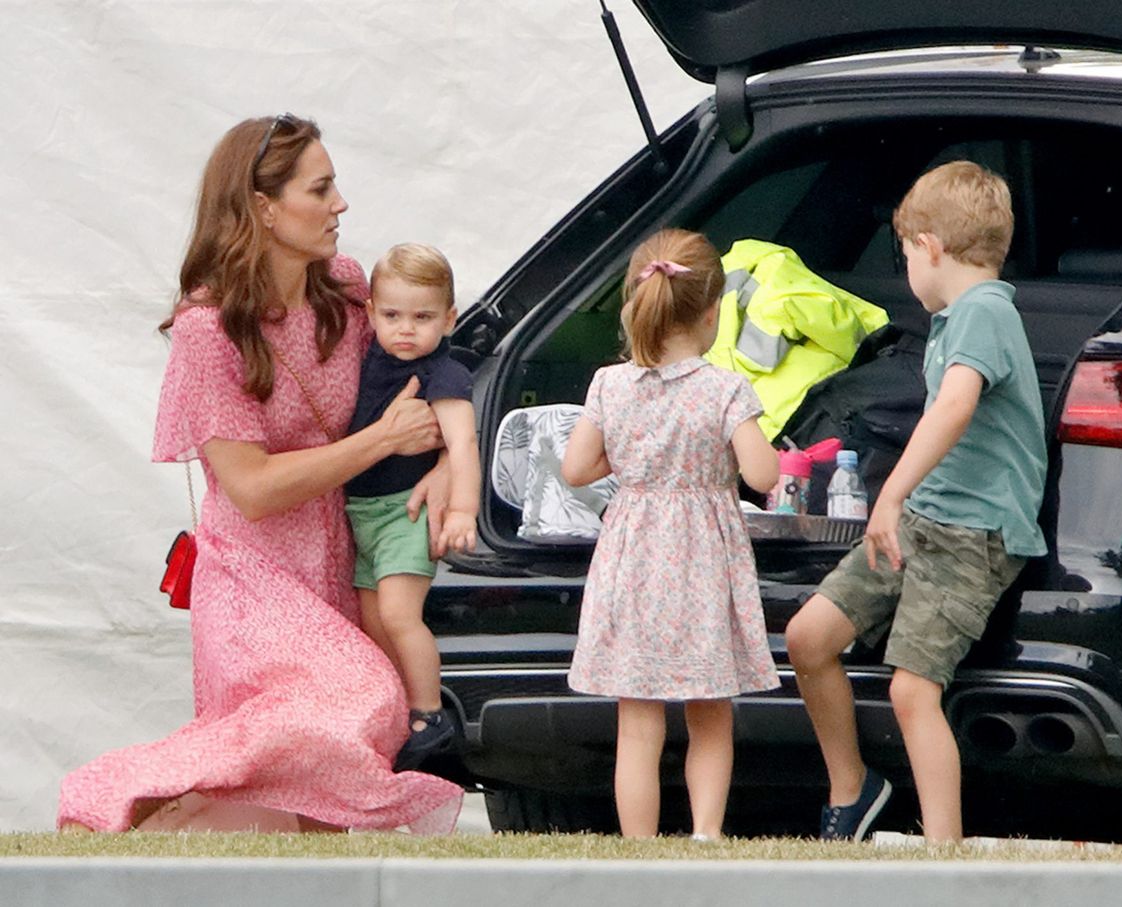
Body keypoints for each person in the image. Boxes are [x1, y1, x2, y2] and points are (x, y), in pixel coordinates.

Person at [57, 114, 463, 834]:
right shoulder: (207, 329)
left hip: (341, 567)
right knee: (363, 695)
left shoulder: (344, 287)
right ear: (264, 208)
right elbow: (252, 486)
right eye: (322, 187)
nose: (341, 204)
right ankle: (116, 794)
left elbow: (428, 372)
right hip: (252, 578)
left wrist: (445, 468)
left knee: (334, 781)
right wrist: (378, 441)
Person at [785, 160, 1047, 843]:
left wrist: (889, 494)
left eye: (904, 254)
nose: (907, 269)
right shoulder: (960, 317)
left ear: (929, 246)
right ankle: (854, 786)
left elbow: (957, 406)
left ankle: (943, 853)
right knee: (809, 637)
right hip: (927, 519)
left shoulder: (985, 313)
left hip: (970, 531)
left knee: (912, 689)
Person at [561, 228, 781, 839]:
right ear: (712, 314)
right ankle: (705, 836)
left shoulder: (609, 384)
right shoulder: (725, 388)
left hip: (634, 558)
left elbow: (576, 469)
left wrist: (632, 461)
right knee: (710, 713)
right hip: (701, 565)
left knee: (638, 722)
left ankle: (639, 848)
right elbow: (763, 473)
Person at [345, 242, 479, 773]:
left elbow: (462, 444)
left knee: (402, 615)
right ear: (371, 312)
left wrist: (463, 509)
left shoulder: (445, 373)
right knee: (374, 623)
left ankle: (430, 714)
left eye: (423, 318)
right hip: (359, 513)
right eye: (392, 315)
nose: (406, 330)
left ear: (449, 320)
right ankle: (399, 710)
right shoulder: (366, 360)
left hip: (406, 511)